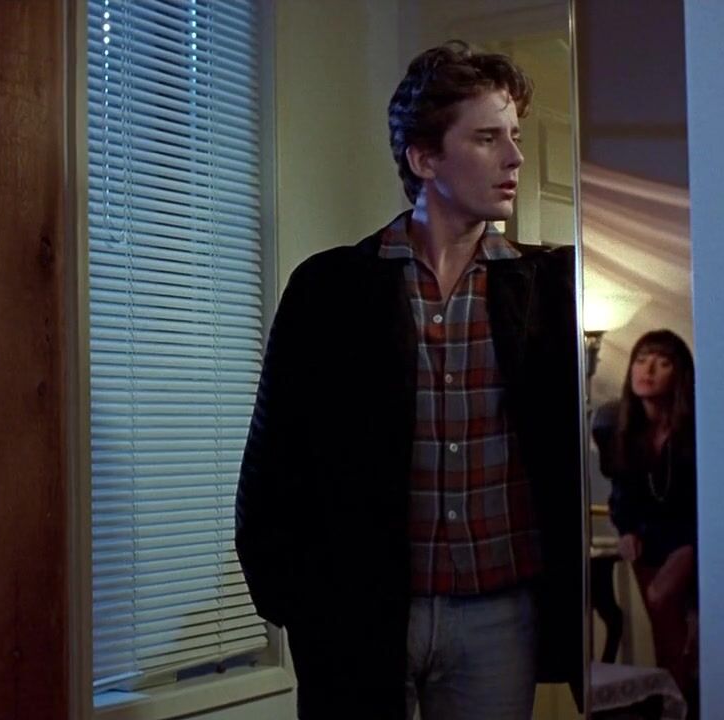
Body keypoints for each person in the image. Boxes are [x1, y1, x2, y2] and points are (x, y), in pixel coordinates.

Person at [235, 41, 583, 720]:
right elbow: (274, 457)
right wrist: (291, 601)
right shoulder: (332, 288)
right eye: (487, 137)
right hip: (360, 611)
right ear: (425, 159)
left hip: (497, 617)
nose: (515, 157)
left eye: (514, 135)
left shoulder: (549, 287)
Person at [592, 329, 699, 717]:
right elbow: (622, 491)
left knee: (661, 599)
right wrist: (626, 531)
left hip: (690, 533)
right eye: (641, 360)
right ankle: (681, 707)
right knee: (666, 639)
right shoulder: (612, 422)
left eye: (662, 363)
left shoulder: (695, 425)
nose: (648, 370)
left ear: (679, 374)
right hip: (647, 534)